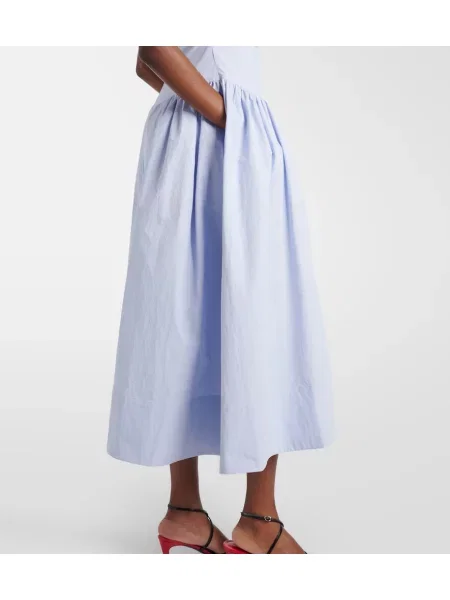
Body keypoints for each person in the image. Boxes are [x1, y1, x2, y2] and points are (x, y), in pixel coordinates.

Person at [107, 46, 333, 554]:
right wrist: (228, 115)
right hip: (226, 133)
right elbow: (154, 47)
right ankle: (259, 521)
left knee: (180, 312)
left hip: (193, 132)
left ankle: (186, 511)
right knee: (258, 312)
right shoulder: (228, 117)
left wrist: (208, 104)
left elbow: (148, 62)